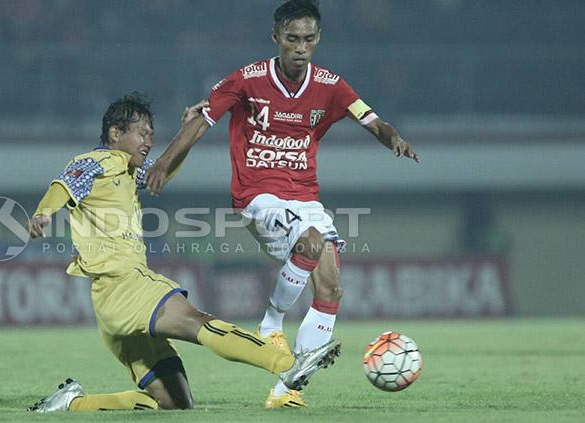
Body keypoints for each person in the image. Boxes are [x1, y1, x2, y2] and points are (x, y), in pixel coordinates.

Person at [145, 0, 419, 409]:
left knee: (331, 286)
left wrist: (392, 137)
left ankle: (287, 390)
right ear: (276, 37)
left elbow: (372, 120)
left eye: (309, 39)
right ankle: (271, 325)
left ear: (318, 39)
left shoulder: (331, 85)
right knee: (309, 242)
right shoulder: (248, 79)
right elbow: (201, 119)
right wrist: (164, 163)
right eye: (292, 38)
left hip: (305, 196)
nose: (300, 47)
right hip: (258, 195)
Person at [25, 92, 339, 412]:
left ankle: (71, 405)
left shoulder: (128, 171)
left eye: (151, 134)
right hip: (125, 285)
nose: (148, 141)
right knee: (197, 321)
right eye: (141, 133)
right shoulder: (97, 162)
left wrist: (188, 132)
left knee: (175, 403)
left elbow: (163, 169)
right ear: (115, 133)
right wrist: (43, 213)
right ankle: (287, 363)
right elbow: (64, 185)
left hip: (112, 304)